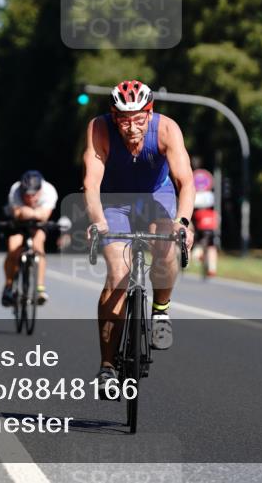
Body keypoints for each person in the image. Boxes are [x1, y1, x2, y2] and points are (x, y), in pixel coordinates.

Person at [82, 80, 195, 388]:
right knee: (118, 274)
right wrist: (97, 221)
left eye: (138, 118)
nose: (131, 126)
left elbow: (185, 181)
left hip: (156, 197)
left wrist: (183, 222)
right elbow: (91, 184)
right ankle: (107, 365)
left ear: (150, 112)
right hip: (115, 203)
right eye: (123, 118)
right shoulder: (99, 129)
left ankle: (160, 311)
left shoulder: (166, 130)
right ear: (113, 115)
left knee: (167, 242)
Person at [1, 170, 58, 307]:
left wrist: (28, 212)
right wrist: (34, 212)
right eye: (26, 194)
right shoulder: (15, 190)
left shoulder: (49, 191)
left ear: (40, 190)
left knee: (38, 245)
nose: (30, 198)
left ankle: (40, 289)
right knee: (13, 247)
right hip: (18, 223)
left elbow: (44, 216)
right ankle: (8, 287)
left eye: (34, 195)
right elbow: (17, 213)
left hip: (38, 224)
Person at [193, 195, 219, 279]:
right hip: (212, 232)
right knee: (212, 248)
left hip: (201, 232)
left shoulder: (197, 213)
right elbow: (217, 223)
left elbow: (194, 225)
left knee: (198, 245)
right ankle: (212, 269)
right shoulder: (214, 213)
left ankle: (199, 256)